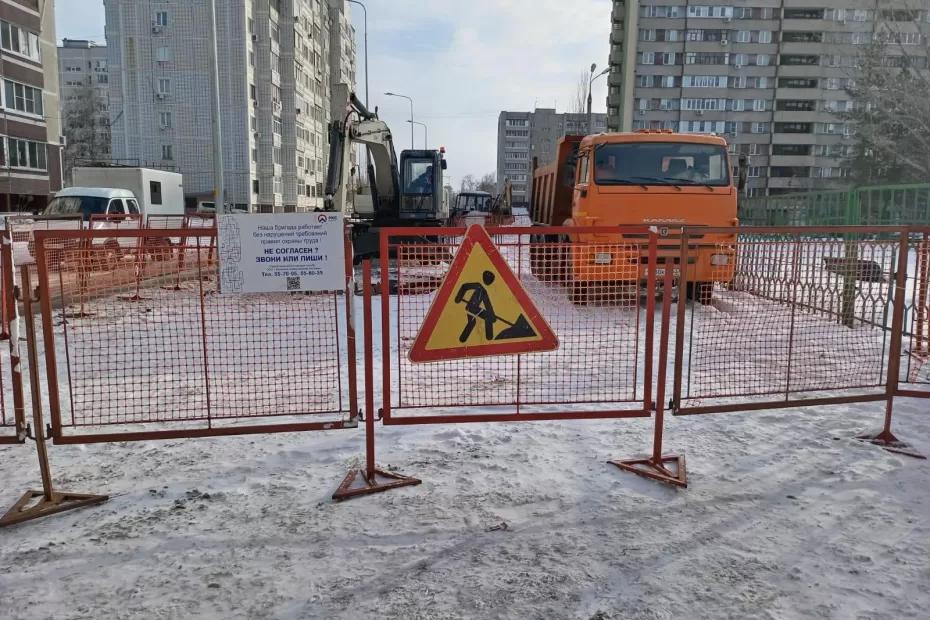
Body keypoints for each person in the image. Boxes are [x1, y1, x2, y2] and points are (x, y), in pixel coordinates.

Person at [454, 271, 498, 343]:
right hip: (472, 307)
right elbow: (464, 286)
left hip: (473, 308)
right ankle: (489, 338)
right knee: (486, 318)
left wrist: (492, 315)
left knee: (473, 322)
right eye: (489, 280)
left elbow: (488, 304)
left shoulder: (484, 291)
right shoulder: (478, 286)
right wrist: (458, 298)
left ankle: (462, 340)